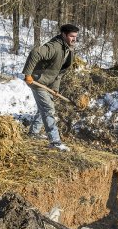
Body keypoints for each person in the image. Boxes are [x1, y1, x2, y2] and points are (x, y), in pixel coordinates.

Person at [22, 23, 80, 151]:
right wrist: (28, 74)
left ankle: (33, 132)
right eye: (71, 36)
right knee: (48, 108)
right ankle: (55, 141)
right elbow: (35, 53)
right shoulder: (54, 46)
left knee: (43, 108)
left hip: (48, 82)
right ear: (64, 35)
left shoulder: (67, 48)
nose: (74, 39)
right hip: (37, 81)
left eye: (76, 36)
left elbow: (59, 70)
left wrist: (55, 88)